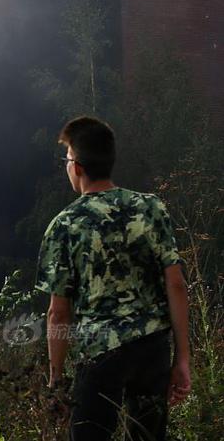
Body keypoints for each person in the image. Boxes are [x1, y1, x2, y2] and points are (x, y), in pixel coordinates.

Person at [36, 116, 191, 441]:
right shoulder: (151, 209)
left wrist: (56, 381)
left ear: (76, 166)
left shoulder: (65, 225)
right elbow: (176, 285)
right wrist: (182, 360)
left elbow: (59, 313)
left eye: (66, 160)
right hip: (153, 350)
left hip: (100, 354)